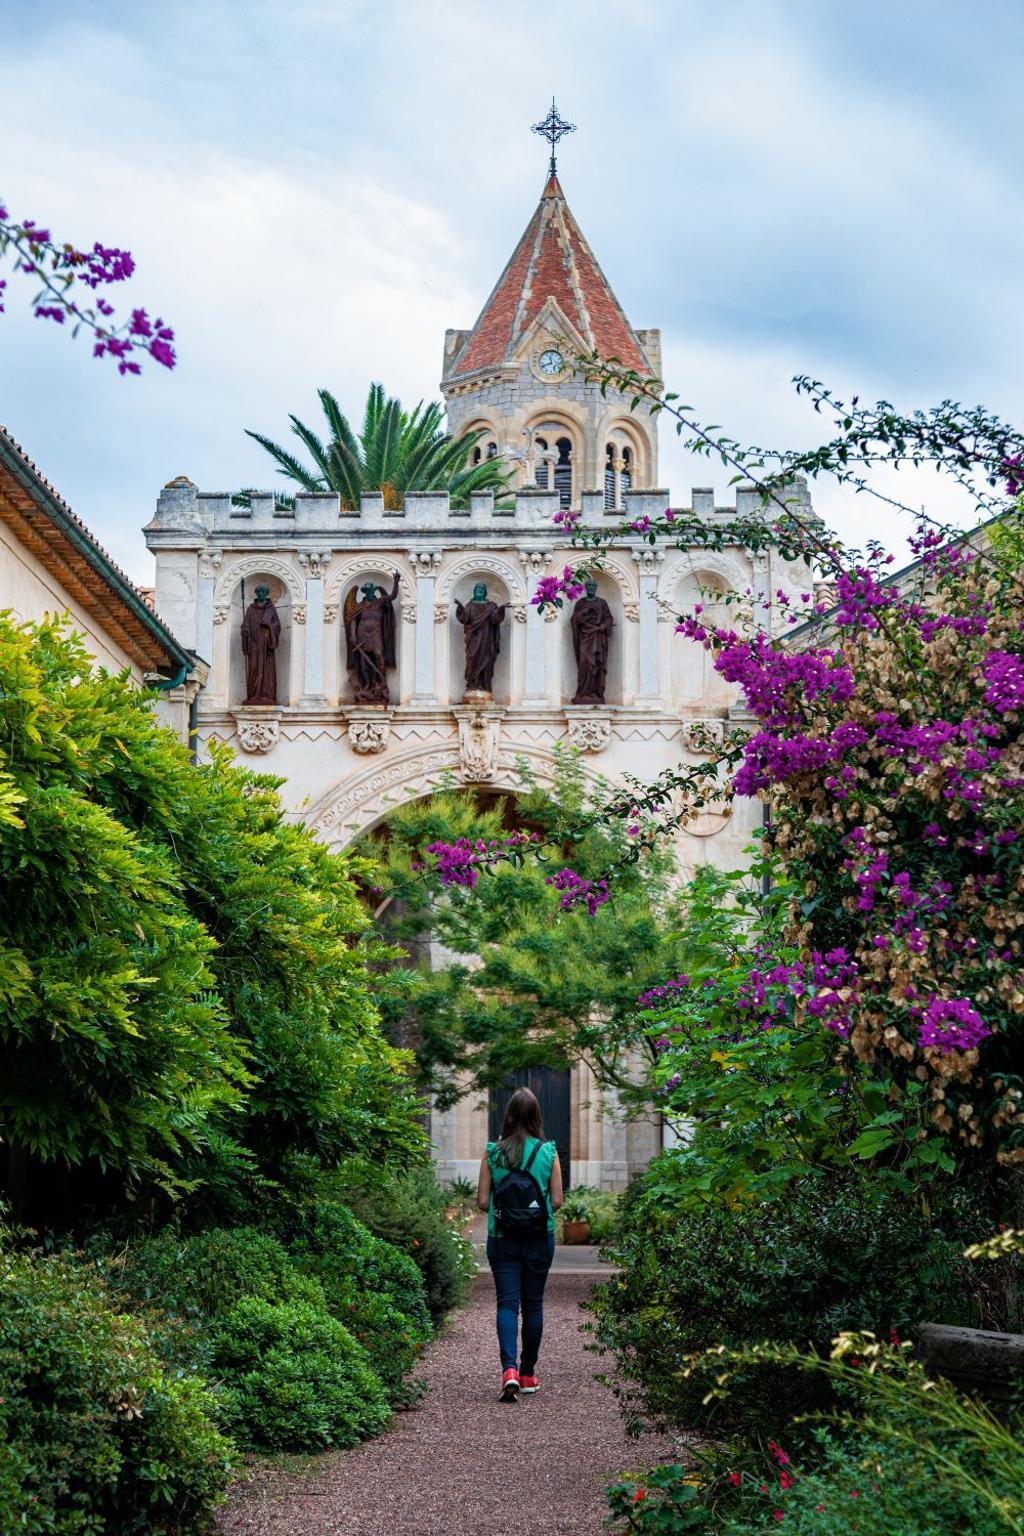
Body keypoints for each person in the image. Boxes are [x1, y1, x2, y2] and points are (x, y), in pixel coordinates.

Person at [477, 1087, 563, 1402]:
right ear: (537, 1116)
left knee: (507, 1305)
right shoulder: (548, 1152)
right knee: (534, 1306)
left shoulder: (493, 1152)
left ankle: (509, 1370)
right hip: (540, 1238)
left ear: (509, 1115)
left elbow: (482, 1202)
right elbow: (557, 1200)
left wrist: (507, 1212)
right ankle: (527, 1374)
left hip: (503, 1239)